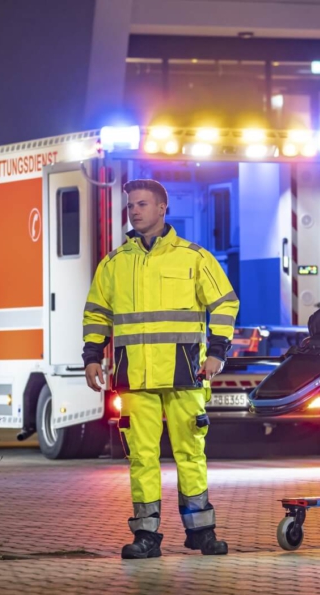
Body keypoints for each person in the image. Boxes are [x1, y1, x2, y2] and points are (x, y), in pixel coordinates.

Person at [82, 179, 239, 559]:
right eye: (131, 205)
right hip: (134, 377)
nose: (134, 211)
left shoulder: (194, 258)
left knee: (190, 454)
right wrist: (91, 357)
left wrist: (217, 352)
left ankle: (201, 531)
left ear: (162, 209)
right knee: (142, 457)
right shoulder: (114, 264)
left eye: (142, 204)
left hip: (186, 374)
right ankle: (146, 536)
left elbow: (224, 303)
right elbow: (96, 313)